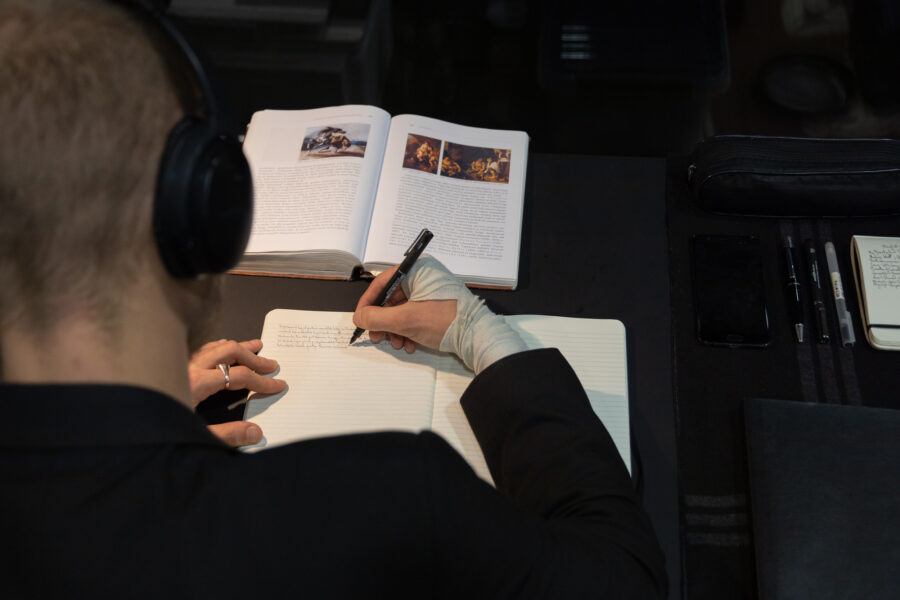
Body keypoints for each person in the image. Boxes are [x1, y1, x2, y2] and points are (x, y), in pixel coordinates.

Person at [0, 1, 667, 597]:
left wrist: (137, 421)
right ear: (204, 214)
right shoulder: (393, 500)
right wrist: (481, 333)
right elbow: (623, 576)